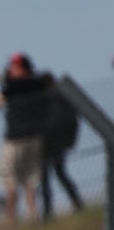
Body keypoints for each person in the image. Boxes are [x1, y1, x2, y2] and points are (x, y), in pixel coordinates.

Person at [0, 53, 51, 226]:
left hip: (14, 140)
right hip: (35, 138)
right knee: (30, 183)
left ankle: (10, 222)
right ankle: (33, 219)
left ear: (23, 68)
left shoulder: (12, 88)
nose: (11, 70)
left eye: (15, 67)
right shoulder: (39, 85)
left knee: (11, 185)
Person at [40, 73, 84, 219]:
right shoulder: (63, 97)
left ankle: (47, 212)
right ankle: (76, 204)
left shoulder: (49, 99)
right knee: (59, 174)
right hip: (59, 141)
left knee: (46, 177)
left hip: (49, 141)